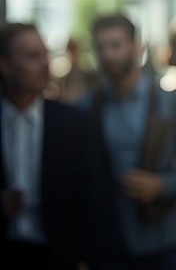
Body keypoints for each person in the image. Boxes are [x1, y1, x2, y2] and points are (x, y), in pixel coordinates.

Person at [78, 14, 176, 270]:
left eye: (115, 45)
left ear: (136, 46)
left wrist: (162, 184)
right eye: (101, 47)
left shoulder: (173, 102)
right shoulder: (88, 107)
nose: (108, 55)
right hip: (110, 241)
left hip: (166, 238)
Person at [0, 22, 89, 269]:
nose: (45, 64)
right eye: (32, 56)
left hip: (55, 256)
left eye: (45, 54)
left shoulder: (74, 124)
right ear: (5, 66)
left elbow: (91, 199)